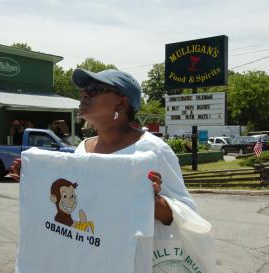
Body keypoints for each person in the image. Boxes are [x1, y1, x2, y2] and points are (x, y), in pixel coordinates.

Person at [10, 69, 198, 271]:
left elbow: (186, 214)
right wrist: (35, 178)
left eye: (94, 89)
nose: (84, 94)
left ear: (121, 103)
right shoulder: (83, 147)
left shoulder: (153, 150)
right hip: (87, 260)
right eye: (83, 90)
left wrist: (150, 199)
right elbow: (83, 200)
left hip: (127, 262)